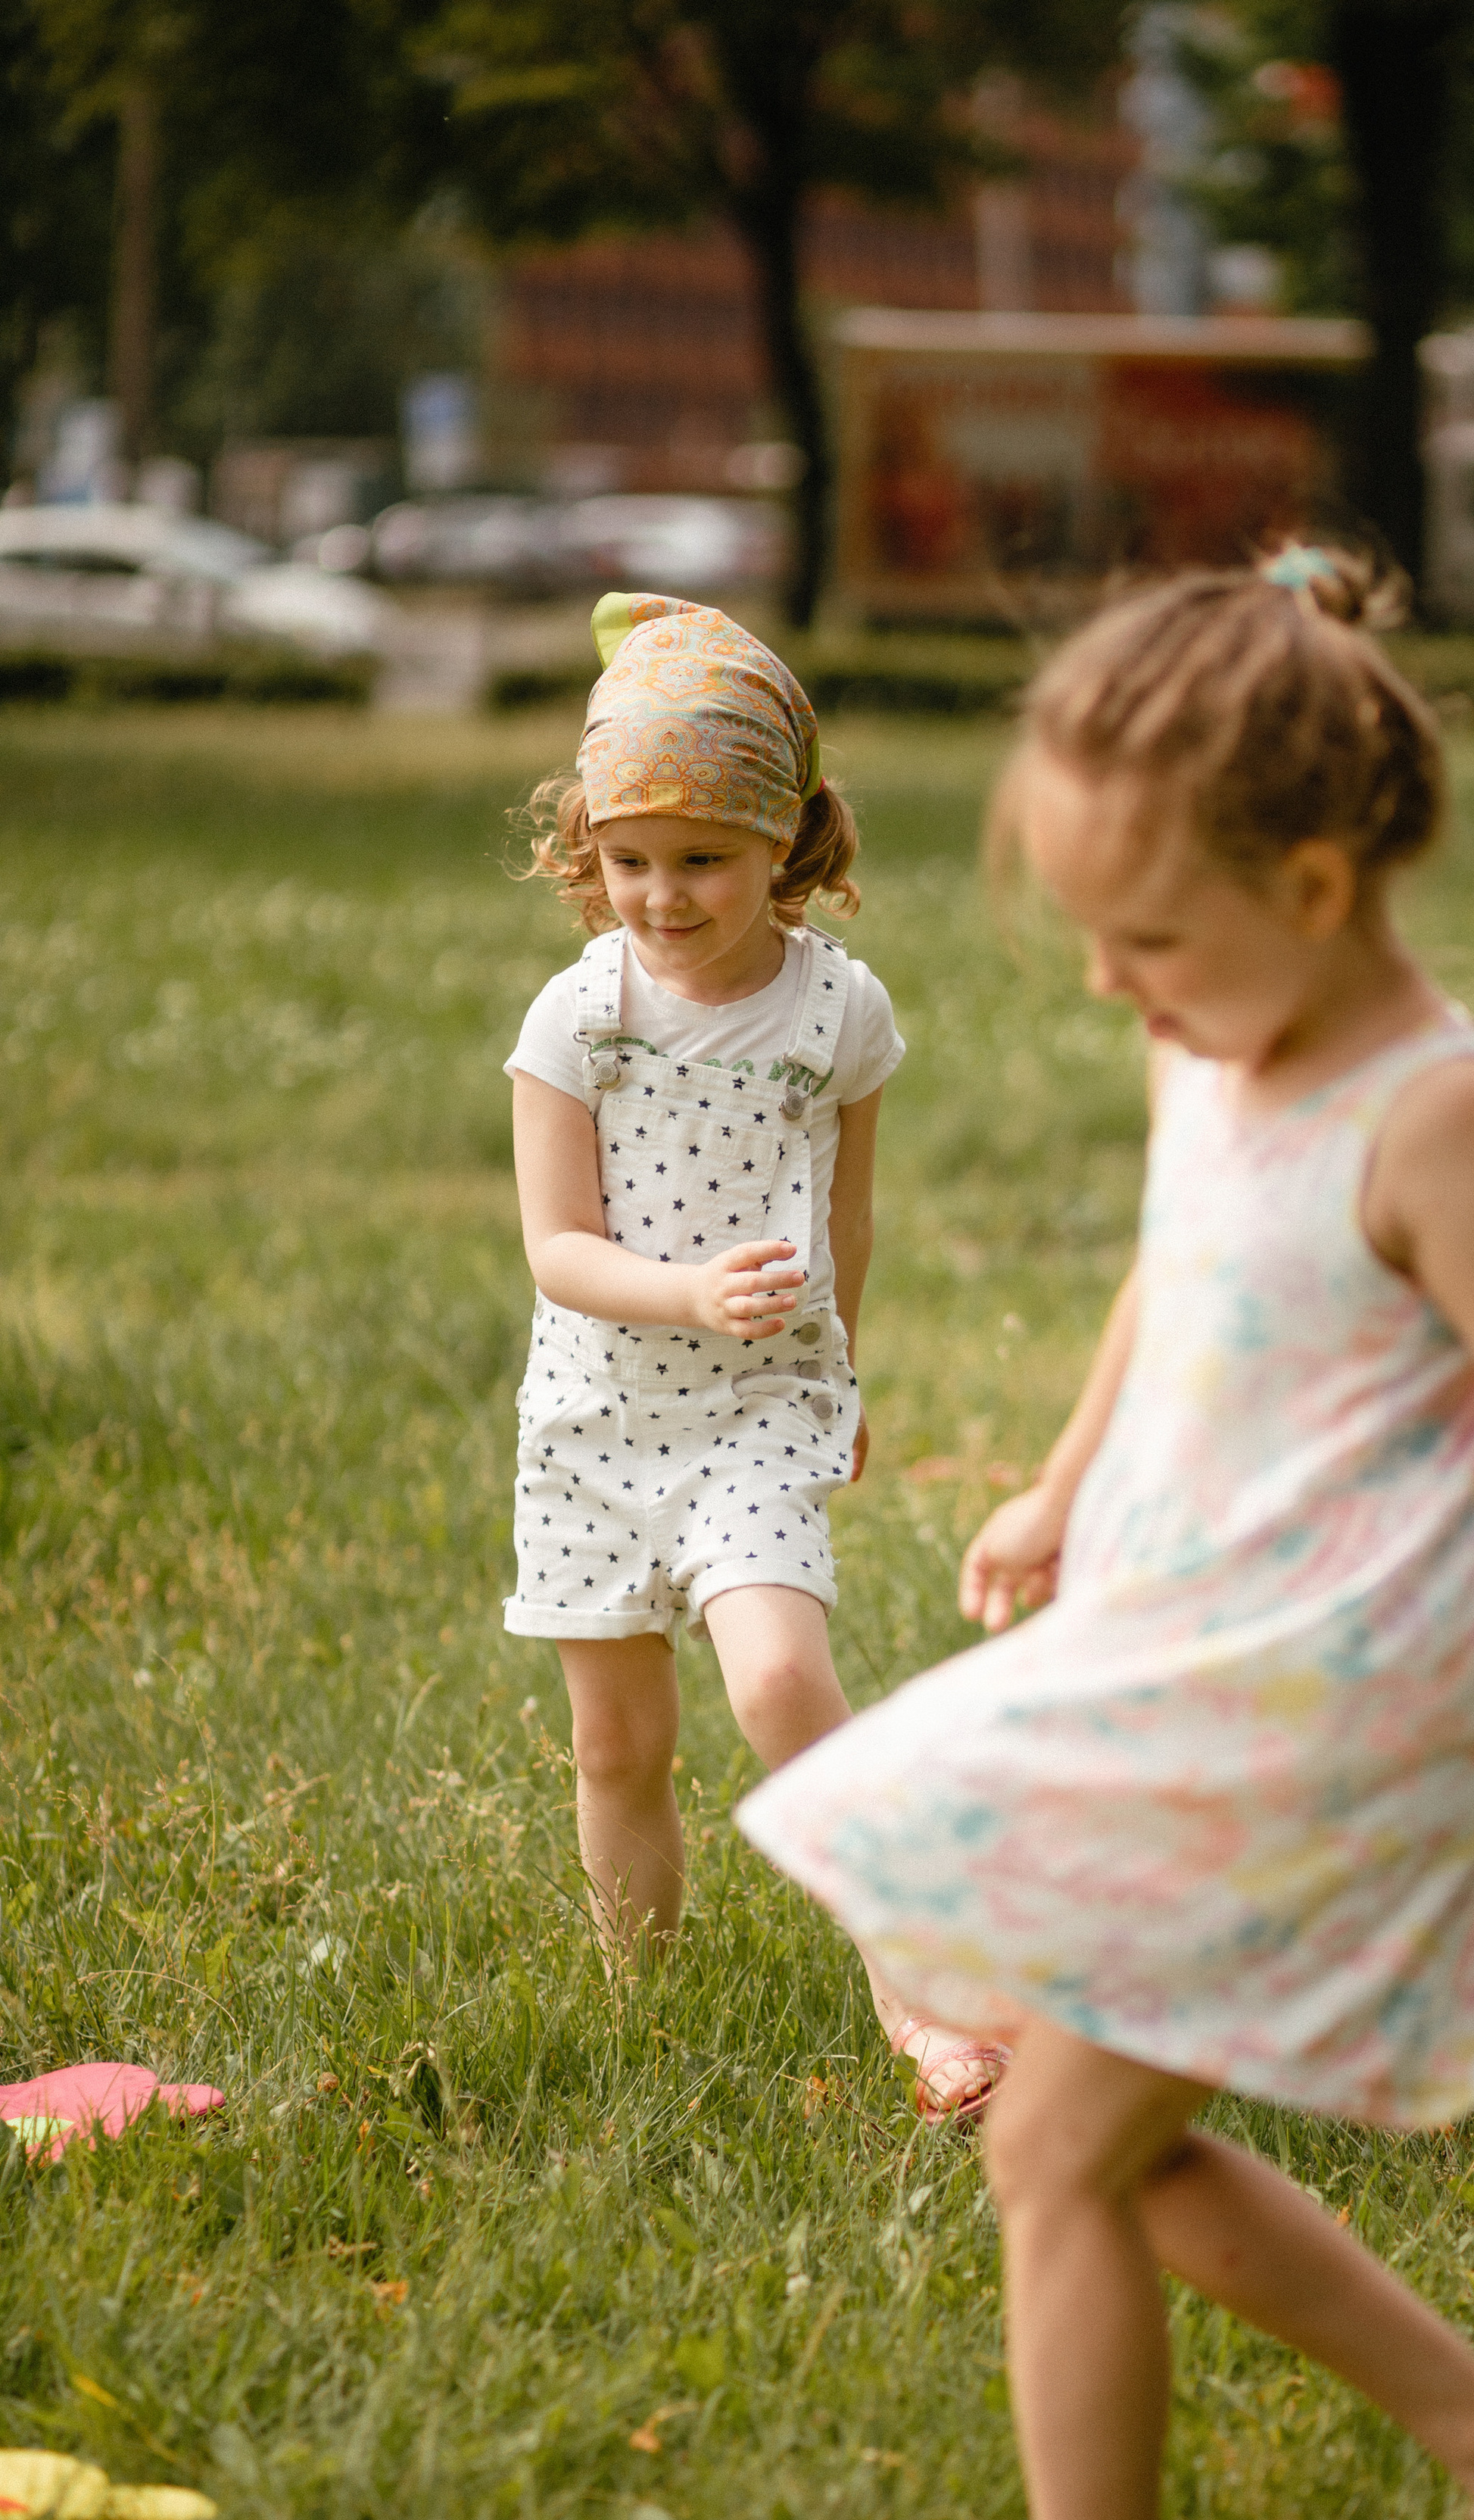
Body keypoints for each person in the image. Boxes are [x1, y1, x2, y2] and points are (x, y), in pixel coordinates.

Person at [739, 549, 1474, 2520]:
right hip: (1189, 1652)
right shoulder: (1212, 1049)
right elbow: (1176, 1267)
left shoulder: (1437, 1114)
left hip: (1328, 1707)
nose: (1113, 987)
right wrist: (1060, 1474)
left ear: (1319, 888)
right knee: (1085, 2136)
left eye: (1146, 939)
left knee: (1054, 2140)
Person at [505, 591, 1008, 2117]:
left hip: (754, 1414)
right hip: (594, 1425)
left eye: (701, 860)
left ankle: (920, 1998)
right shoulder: (575, 1020)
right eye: (627, 860)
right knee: (620, 1750)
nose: (658, 896)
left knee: (783, 1680)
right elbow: (556, 1248)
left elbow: (847, 1221)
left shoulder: (835, 1013)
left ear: (787, 840)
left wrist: (836, 1378)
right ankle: (643, 2022)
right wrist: (682, 1293)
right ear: (587, 849)